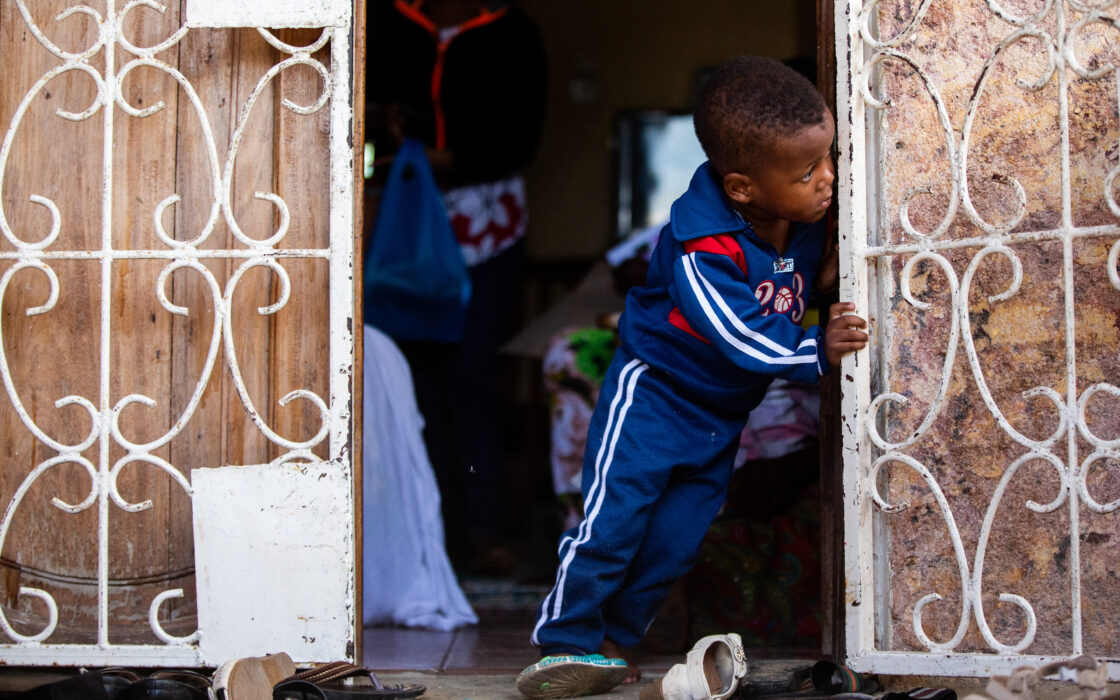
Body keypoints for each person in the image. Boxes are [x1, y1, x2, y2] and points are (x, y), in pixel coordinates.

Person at [516, 55, 869, 699]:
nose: (829, 180)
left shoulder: (802, 217)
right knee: (615, 520)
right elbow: (740, 337)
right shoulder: (700, 244)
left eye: (829, 160)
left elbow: (793, 285)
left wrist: (826, 280)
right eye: (808, 172)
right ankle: (562, 644)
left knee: (677, 539)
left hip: (719, 418)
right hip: (654, 398)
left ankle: (612, 647)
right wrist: (818, 347)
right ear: (742, 188)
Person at [365, 0, 548, 572]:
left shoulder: (513, 33)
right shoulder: (387, 23)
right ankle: (425, 539)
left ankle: (483, 533)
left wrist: (438, 154)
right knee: (412, 377)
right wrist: (385, 121)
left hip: (485, 230)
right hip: (401, 225)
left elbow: (518, 141)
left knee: (470, 376)